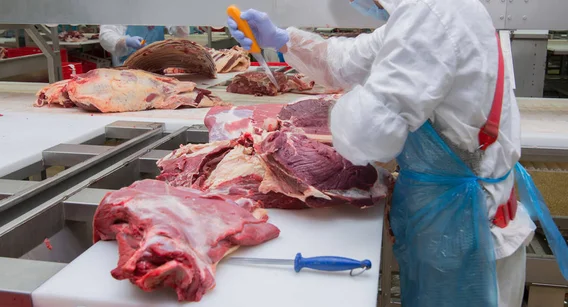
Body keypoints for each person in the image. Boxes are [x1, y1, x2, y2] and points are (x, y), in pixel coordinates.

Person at [227, 1, 567, 307]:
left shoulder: (433, 12)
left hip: (468, 231)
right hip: (449, 216)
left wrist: (308, 127)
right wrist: (282, 39)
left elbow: (369, 134)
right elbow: (348, 61)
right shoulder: (425, 13)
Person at [100, 25, 189, 66]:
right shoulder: (120, 7)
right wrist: (125, 41)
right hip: (126, 67)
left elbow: (182, 33)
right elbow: (106, 35)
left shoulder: (159, 7)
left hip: (156, 65)